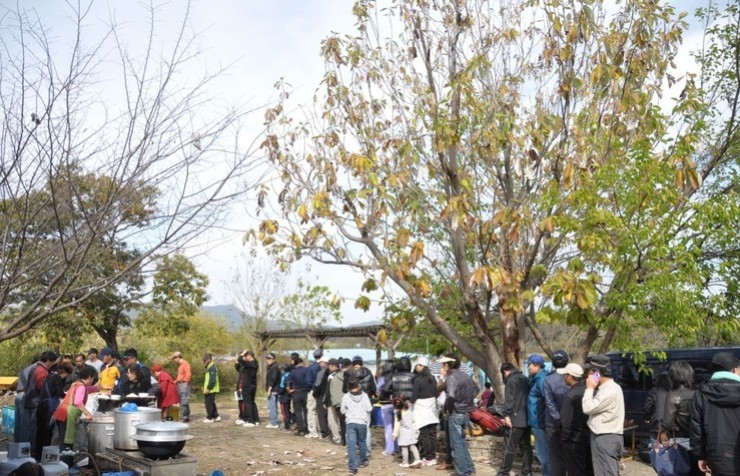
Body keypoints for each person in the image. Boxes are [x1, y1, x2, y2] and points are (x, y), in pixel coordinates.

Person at [690, 351, 740, 476]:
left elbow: (696, 427)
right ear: (734, 369)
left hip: (716, 455)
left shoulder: (701, 392)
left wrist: (700, 455)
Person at [581, 354, 624, 476]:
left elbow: (587, 408)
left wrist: (589, 388)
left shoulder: (609, 390)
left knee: (605, 473)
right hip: (604, 436)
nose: (589, 375)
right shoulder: (607, 388)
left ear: (597, 373)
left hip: (605, 437)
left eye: (591, 372)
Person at [439, 353, 477, 476]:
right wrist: (467, 402)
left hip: (455, 413)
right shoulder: (465, 375)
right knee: (461, 443)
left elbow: (450, 395)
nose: (442, 366)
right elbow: (476, 389)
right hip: (465, 413)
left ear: (448, 365)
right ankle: (469, 469)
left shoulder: (451, 377)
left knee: (456, 444)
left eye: (444, 364)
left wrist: (447, 409)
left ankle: (462, 472)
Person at [52, 366, 95, 465]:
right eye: (93, 378)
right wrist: (87, 413)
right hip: (66, 415)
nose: (92, 381)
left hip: (62, 413)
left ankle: (63, 464)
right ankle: (66, 465)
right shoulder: (81, 386)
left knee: (63, 441)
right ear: (89, 377)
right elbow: (78, 402)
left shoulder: (75, 383)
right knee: (67, 443)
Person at [497, 362, 533, 476]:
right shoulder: (526, 379)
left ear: (505, 372)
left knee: (509, 447)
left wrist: (507, 415)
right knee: (526, 446)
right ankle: (527, 472)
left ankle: (504, 472)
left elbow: (510, 401)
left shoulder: (511, 380)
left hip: (515, 419)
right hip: (527, 418)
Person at [558, 363, 593, 476]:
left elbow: (565, 420)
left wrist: (564, 438)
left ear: (570, 376)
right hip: (590, 437)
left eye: (565, 375)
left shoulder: (571, 395)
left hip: (574, 439)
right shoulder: (589, 391)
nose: (564, 378)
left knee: (575, 470)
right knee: (589, 469)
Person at [35, 360, 68, 459]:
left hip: (42, 405)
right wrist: (68, 395)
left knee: (40, 432)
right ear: (64, 372)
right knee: (47, 432)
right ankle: (45, 456)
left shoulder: (49, 376)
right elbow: (60, 393)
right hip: (49, 407)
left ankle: (38, 455)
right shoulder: (57, 378)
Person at [343, 355, 377, 453]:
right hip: (365, 402)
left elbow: (344, 389)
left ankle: (352, 450)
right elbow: (374, 388)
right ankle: (367, 450)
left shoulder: (348, 372)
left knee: (350, 427)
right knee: (366, 428)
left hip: (351, 403)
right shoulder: (368, 372)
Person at [544, 349, 569, 476]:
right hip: (570, 423)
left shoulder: (548, 379)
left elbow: (550, 403)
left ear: (553, 363)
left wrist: (558, 419)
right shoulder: (572, 377)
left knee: (555, 456)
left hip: (553, 424)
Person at [411, 355, 439, 466]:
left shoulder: (418, 380)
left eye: (417, 365)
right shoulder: (433, 379)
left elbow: (414, 397)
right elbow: (436, 393)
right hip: (432, 408)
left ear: (421, 366)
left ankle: (427, 457)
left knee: (425, 434)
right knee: (432, 433)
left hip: (421, 409)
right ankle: (433, 456)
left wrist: (409, 404)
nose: (416, 367)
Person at [341, 378, 372, 475]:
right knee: (362, 442)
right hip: (362, 422)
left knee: (351, 445)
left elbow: (342, 410)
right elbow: (369, 408)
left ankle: (352, 468)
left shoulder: (346, 396)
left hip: (350, 422)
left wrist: (349, 411)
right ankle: (362, 461)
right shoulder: (364, 396)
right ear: (358, 386)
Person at [527, 354, 550, 476]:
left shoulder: (541, 380)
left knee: (544, 455)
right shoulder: (536, 379)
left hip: (540, 422)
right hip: (538, 421)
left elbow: (548, 401)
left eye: (530, 365)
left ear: (537, 366)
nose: (528, 367)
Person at [393, 395, 422, 468]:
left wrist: (394, 434)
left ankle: (405, 462)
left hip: (403, 433)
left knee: (404, 448)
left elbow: (397, 425)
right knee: (413, 446)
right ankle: (417, 459)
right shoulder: (409, 411)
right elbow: (413, 420)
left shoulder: (398, 413)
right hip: (411, 431)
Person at [376, 361, 397, 456]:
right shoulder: (396, 377)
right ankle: (397, 447)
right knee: (396, 426)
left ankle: (389, 449)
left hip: (385, 404)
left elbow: (378, 391)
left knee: (388, 427)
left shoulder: (382, 378)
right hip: (396, 404)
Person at [643, 372, 670, 441]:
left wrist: (647, 418)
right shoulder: (671, 392)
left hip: (656, 423)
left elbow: (647, 406)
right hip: (669, 424)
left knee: (655, 442)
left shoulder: (653, 391)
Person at [323, 358, 344, 444]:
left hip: (332, 401)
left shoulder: (331, 376)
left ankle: (337, 438)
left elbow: (328, 390)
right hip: (343, 401)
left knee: (332, 420)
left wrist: (325, 401)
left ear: (332, 366)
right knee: (342, 421)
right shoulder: (344, 374)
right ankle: (344, 438)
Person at [287, 356, 310, 435]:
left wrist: (289, 390)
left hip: (296, 392)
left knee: (298, 412)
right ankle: (307, 428)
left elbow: (288, 382)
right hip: (305, 392)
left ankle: (301, 429)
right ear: (301, 362)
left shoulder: (293, 372)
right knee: (306, 411)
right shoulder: (306, 370)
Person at [237, 350, 259, 427]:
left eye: (246, 356)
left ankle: (250, 421)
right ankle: (256, 419)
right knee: (252, 403)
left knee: (248, 404)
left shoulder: (250, 364)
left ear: (249, 356)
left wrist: (242, 353)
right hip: (252, 386)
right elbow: (239, 365)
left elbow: (239, 359)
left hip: (247, 386)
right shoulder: (255, 363)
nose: (245, 357)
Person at [313, 355, 331, 439]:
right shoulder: (333, 373)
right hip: (330, 396)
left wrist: (315, 394)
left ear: (324, 363)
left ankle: (324, 432)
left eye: (320, 362)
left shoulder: (320, 373)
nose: (320, 364)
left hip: (321, 396)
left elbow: (317, 386)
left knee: (321, 415)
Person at [172, 351, 192, 422]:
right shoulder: (180, 365)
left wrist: (186, 383)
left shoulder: (185, 363)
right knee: (183, 401)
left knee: (184, 401)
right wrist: (175, 381)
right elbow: (180, 376)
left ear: (178, 357)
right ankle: (187, 417)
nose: (174, 360)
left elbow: (188, 374)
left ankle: (183, 418)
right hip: (180, 384)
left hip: (184, 384)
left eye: (174, 358)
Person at [202, 353, 221, 423]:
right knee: (211, 403)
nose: (204, 361)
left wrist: (208, 388)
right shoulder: (209, 367)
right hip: (210, 389)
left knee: (209, 404)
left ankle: (210, 418)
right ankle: (216, 416)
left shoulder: (212, 367)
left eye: (205, 360)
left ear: (209, 359)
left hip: (211, 389)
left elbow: (212, 380)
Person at [265, 352, 281, 429]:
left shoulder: (274, 367)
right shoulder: (272, 367)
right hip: (275, 389)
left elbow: (273, 379)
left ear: (273, 359)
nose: (268, 360)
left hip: (273, 389)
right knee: (274, 406)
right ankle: (275, 421)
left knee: (271, 407)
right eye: (267, 359)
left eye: (270, 359)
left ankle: (273, 423)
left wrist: (269, 389)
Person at [277, 364, 294, 431]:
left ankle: (287, 426)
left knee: (284, 411)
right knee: (287, 410)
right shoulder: (291, 375)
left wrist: (279, 392)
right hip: (289, 396)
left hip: (283, 396)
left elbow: (282, 387)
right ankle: (292, 421)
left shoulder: (284, 377)